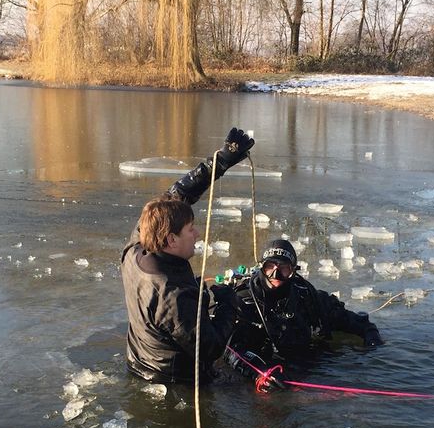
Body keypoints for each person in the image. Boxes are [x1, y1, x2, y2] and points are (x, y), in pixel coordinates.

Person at [121, 127, 255, 383]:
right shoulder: (173, 296)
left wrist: (219, 163)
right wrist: (228, 304)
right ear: (172, 240)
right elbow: (210, 348)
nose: (197, 234)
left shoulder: (135, 249)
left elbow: (173, 197)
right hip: (171, 383)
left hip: (139, 364)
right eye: (190, 229)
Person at [227, 239, 383, 389]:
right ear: (262, 267)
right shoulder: (244, 301)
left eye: (283, 268)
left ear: (293, 271)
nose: (275, 275)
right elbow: (232, 350)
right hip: (265, 368)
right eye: (270, 267)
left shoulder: (306, 296)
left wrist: (371, 338)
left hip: (308, 367)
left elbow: (352, 320)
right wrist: (260, 374)